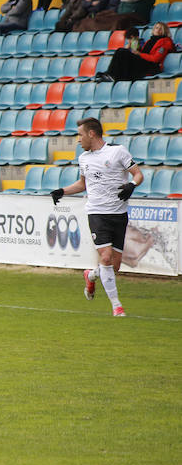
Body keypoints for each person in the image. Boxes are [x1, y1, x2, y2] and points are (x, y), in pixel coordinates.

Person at [49, 118, 144, 317]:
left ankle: (90, 275)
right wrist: (62, 191)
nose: (78, 140)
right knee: (106, 257)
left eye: (80, 135)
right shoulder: (84, 158)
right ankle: (117, 306)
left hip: (119, 214)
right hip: (97, 213)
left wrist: (131, 186)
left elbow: (138, 174)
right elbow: (83, 184)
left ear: (92, 134)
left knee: (114, 266)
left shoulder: (118, 151)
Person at [95, 21, 174, 81]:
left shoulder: (165, 42)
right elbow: (142, 53)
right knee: (121, 51)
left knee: (123, 52)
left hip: (151, 66)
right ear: (153, 30)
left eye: (161, 28)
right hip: (144, 62)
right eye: (156, 28)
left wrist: (139, 54)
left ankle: (113, 75)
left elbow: (155, 59)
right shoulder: (149, 41)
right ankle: (111, 74)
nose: (158, 30)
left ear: (164, 31)